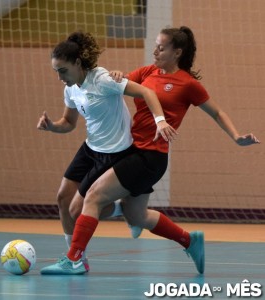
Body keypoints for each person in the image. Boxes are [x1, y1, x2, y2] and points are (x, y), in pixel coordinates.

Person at [40, 26, 260, 276]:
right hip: (131, 150)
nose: (155, 50)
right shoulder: (148, 72)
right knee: (138, 217)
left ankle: (74, 259)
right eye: (155, 45)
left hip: (150, 156)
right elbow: (119, 82)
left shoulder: (188, 84)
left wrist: (236, 136)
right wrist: (116, 74)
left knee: (92, 198)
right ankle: (190, 241)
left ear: (177, 52)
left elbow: (217, 112)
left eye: (161, 47)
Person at [37, 31, 176, 270]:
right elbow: (68, 123)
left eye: (63, 70)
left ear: (78, 63)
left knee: (77, 209)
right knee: (62, 198)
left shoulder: (102, 79)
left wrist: (160, 120)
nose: (60, 77)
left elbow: (146, 92)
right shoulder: (71, 88)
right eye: (56, 72)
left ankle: (79, 254)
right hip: (90, 148)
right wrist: (52, 127)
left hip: (114, 152)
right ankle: (77, 257)